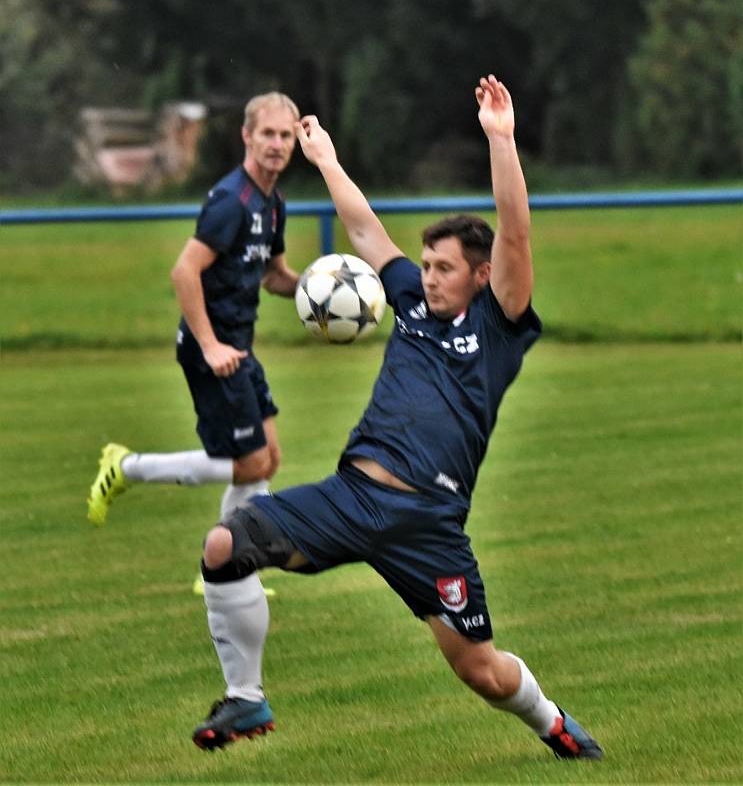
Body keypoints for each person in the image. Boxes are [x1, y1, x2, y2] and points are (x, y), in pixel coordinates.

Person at [191, 75, 604, 761]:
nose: (430, 275)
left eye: (445, 267)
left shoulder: (497, 324)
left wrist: (500, 140)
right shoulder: (410, 298)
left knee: (480, 670)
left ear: (479, 276)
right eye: (428, 263)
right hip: (350, 498)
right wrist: (323, 158)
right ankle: (245, 697)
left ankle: (552, 723)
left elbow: (516, 232)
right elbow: (362, 227)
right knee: (222, 548)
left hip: (428, 526)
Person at [87, 92, 302, 542]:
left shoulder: (274, 203)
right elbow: (184, 271)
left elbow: (274, 277)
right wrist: (210, 346)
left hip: (238, 347)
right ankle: (127, 468)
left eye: (285, 135)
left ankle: (225, 568)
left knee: (269, 459)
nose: (277, 143)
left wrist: (328, 291)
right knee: (252, 463)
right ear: (247, 136)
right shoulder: (232, 200)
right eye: (268, 133)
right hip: (211, 348)